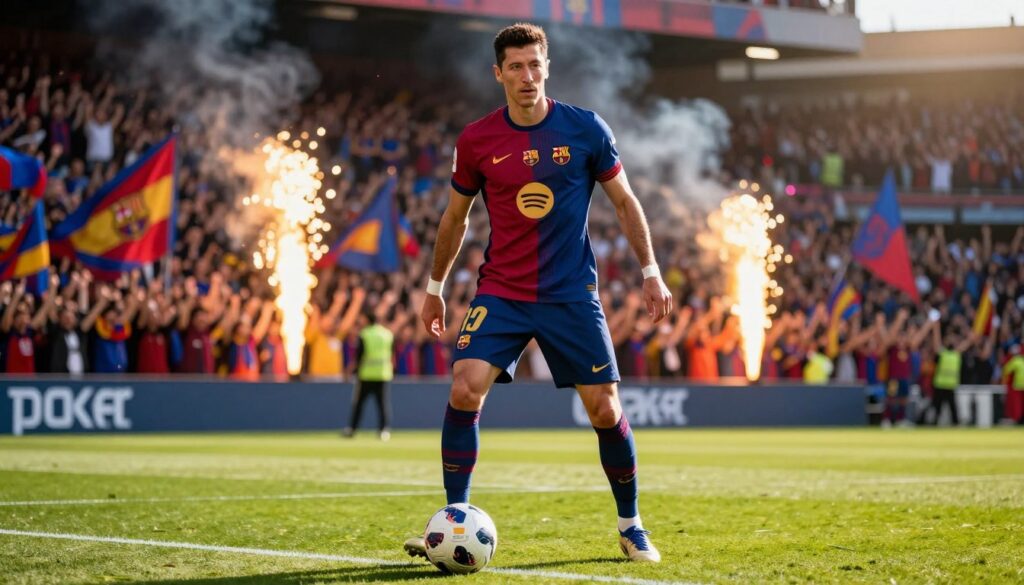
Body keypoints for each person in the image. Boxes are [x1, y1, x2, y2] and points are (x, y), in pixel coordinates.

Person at [404, 23, 672, 563]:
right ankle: (455, 521)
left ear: (546, 67)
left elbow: (625, 202)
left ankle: (631, 525)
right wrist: (434, 288)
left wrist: (651, 270)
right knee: (464, 387)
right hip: (502, 290)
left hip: (571, 292)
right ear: (498, 73)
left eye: (535, 65)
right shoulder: (477, 140)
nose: (527, 76)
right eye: (516, 67)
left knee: (604, 406)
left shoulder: (586, 129)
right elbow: (455, 218)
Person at [343, 312, 395, 440]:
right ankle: (384, 430)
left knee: (359, 404)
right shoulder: (387, 334)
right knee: (382, 404)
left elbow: (359, 356)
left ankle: (352, 429)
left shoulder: (364, 334)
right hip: (383, 374)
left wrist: (350, 370)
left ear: (367, 319)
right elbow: (392, 355)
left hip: (366, 375)